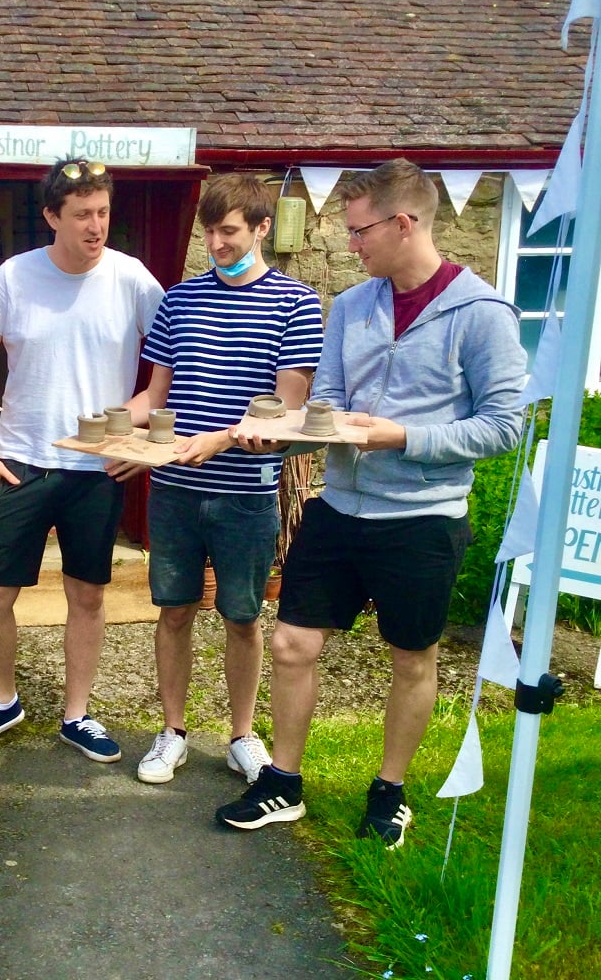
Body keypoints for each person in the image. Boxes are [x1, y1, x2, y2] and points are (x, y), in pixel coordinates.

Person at [215, 158, 527, 847]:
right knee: (293, 643)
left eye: (359, 232)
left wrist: (401, 437)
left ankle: (389, 790)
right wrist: (281, 441)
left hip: (424, 519)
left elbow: (505, 426)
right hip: (340, 508)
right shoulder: (353, 306)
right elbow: (326, 408)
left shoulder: (483, 315)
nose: (351, 245)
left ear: (404, 223)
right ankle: (284, 783)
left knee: (410, 655)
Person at [0, 157, 164, 762]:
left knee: (88, 595)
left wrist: (133, 438)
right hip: (21, 459)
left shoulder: (133, 280)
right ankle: (2, 701)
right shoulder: (13, 279)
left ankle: (77, 714)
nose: (96, 227)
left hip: (95, 469)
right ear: (51, 217)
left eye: (103, 213)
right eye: (82, 216)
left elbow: (166, 375)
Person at [111, 173, 323, 786]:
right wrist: (102, 431)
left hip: (247, 493)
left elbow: (285, 408)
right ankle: (172, 732)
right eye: (209, 230)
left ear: (262, 228)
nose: (215, 242)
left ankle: (241, 736)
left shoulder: (296, 302)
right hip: (175, 491)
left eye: (228, 231)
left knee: (241, 617)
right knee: (174, 612)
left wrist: (223, 439)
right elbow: (153, 396)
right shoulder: (179, 300)